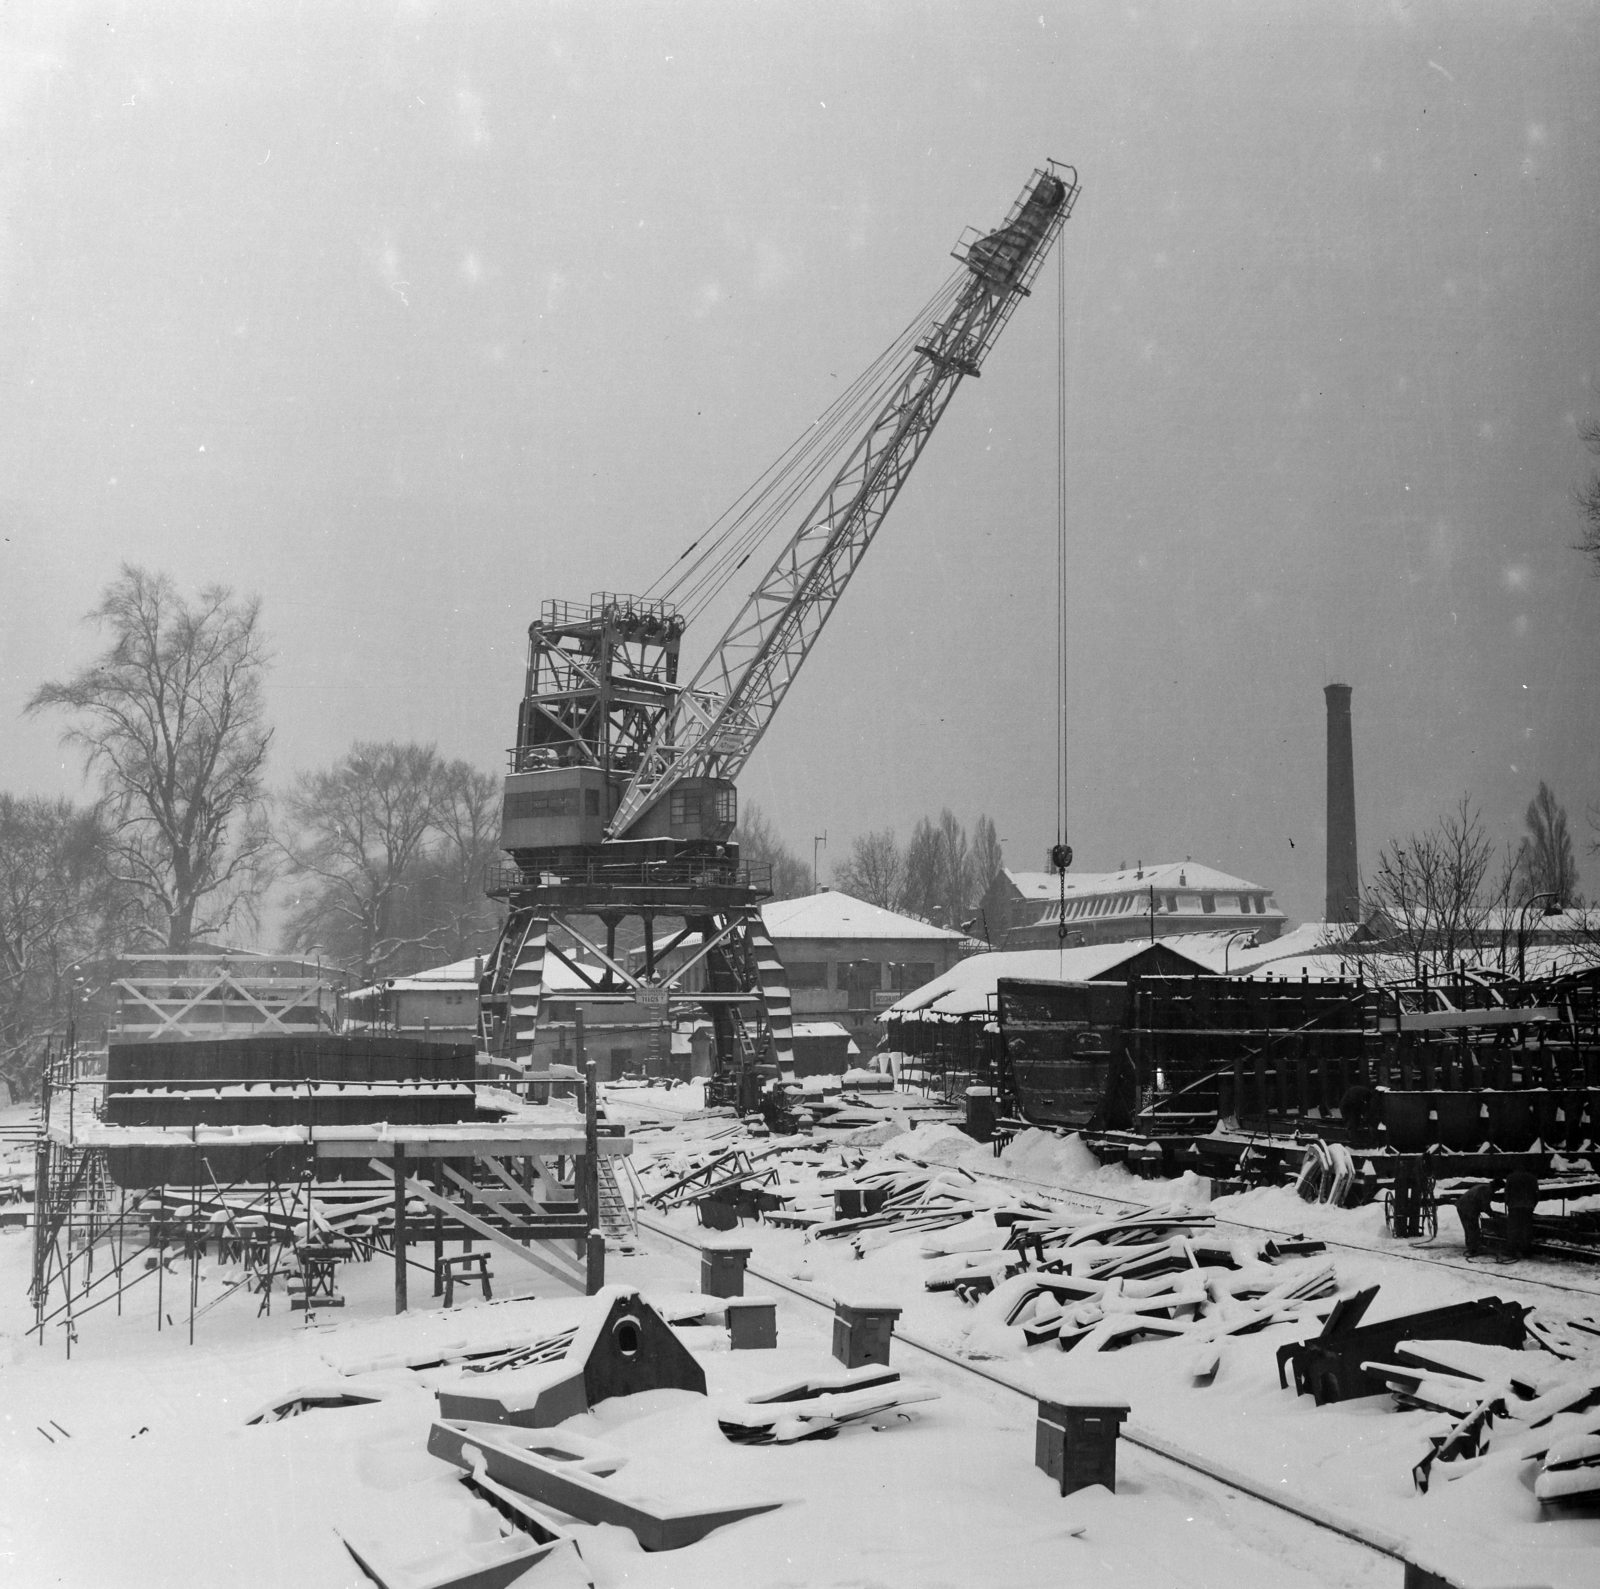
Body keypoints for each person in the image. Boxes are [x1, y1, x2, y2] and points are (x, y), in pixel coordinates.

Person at [1503, 1167, 1541, 1260]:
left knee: (1513, 1229)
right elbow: (1536, 1194)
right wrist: (1532, 1205)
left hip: (1514, 1207)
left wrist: (1509, 1204)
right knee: (1526, 1229)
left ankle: (1512, 1250)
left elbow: (1507, 1193)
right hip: (1527, 1207)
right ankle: (1525, 1250)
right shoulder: (1532, 1177)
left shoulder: (1511, 1177)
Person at [1456, 1178, 1499, 1258]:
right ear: (1496, 1187)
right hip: (1468, 1208)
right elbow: (1485, 1206)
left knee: (1468, 1228)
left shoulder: (1484, 1187)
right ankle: (1473, 1249)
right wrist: (1493, 1215)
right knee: (1473, 1228)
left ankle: (1471, 1246)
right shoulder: (1487, 1190)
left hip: (1462, 1206)